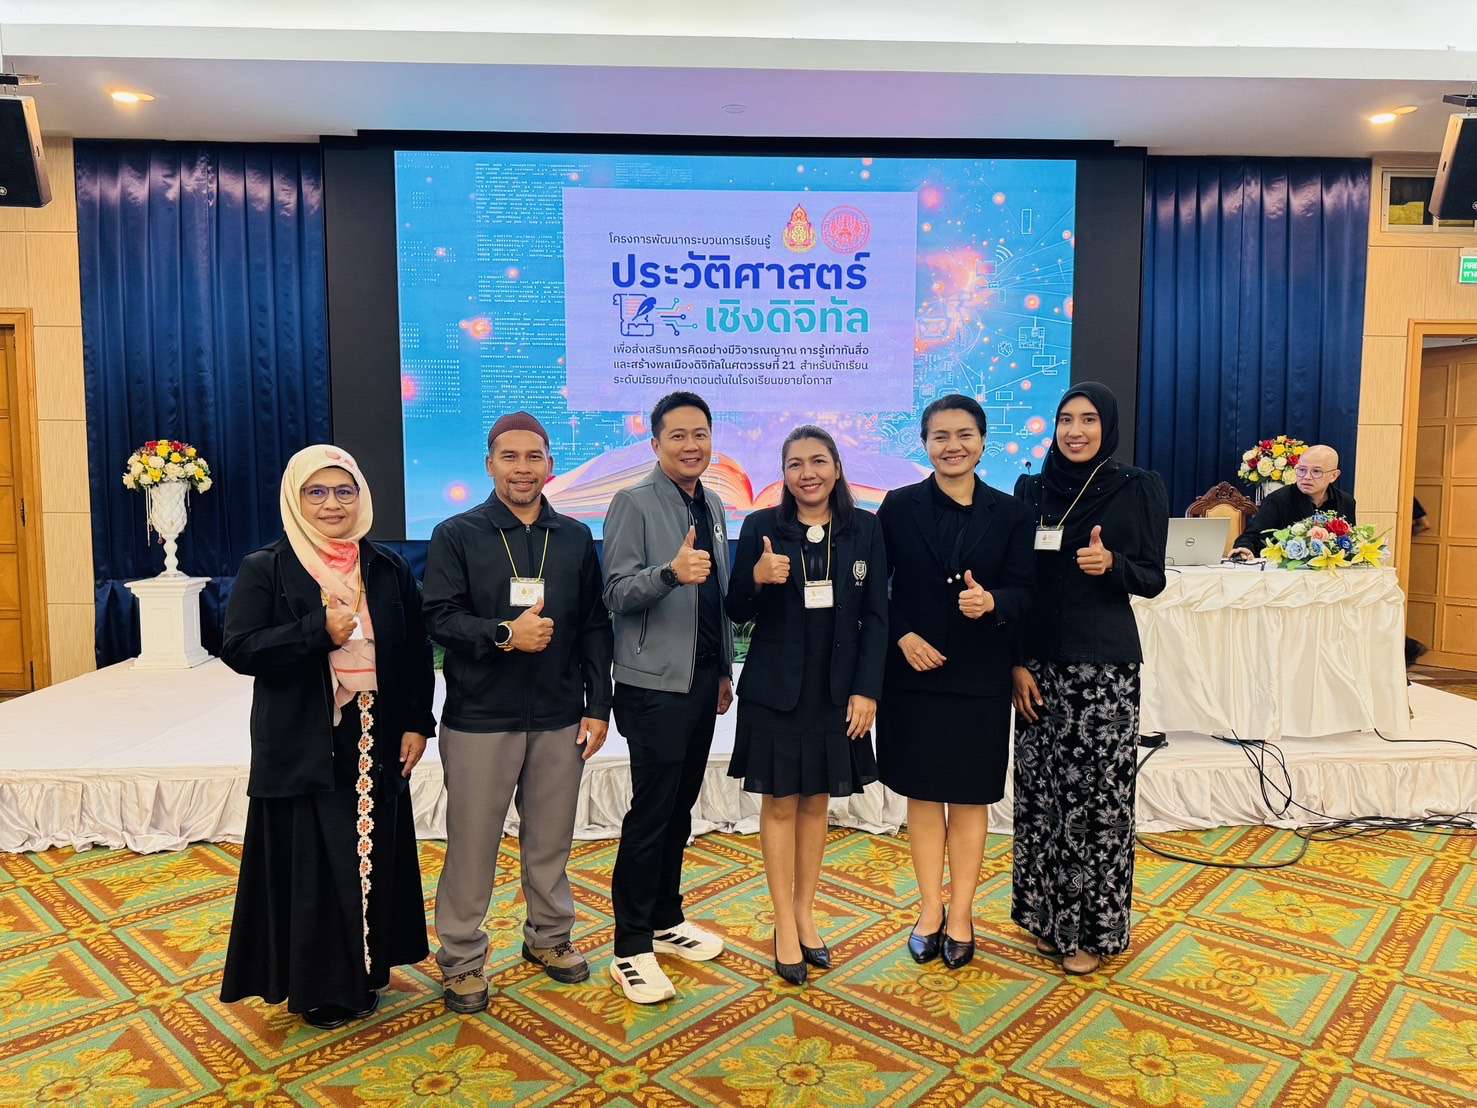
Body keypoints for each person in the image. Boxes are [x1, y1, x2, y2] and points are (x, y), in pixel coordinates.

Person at [220, 446, 435, 1028]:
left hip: (377, 730)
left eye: (344, 491)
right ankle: (321, 987)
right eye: (316, 492)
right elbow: (239, 647)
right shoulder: (269, 565)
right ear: (296, 499)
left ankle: (367, 968)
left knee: (370, 851)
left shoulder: (385, 566)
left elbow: (415, 648)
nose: (332, 504)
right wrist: (318, 630)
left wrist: (418, 721)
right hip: (304, 736)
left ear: (361, 496)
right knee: (315, 859)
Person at [422, 412, 613, 1014]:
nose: (523, 468)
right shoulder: (458, 534)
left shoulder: (575, 537)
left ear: (551, 465)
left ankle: (549, 937)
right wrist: (504, 634)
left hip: (559, 715)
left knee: (551, 840)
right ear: (489, 465)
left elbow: (594, 625)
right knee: (472, 845)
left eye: (534, 457)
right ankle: (461, 960)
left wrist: (598, 706)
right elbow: (439, 617)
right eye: (510, 457)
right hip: (481, 717)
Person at [1012, 382, 1168, 975]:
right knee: (1043, 798)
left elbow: (1152, 578)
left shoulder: (1136, 487)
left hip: (1102, 671)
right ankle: (1048, 920)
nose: (1075, 431)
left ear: (1108, 426)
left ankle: (1090, 933)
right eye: (1065, 419)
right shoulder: (1031, 490)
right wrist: (1016, 662)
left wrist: (1113, 565)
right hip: (1038, 667)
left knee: (1095, 803)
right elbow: (1019, 581)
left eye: (1088, 419)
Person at [877, 395, 1035, 970]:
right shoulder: (898, 506)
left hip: (979, 676)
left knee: (970, 799)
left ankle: (962, 914)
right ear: (924, 444)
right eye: (940, 435)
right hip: (913, 676)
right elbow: (875, 590)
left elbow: (1027, 593)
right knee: (922, 796)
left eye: (964, 434)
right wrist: (901, 636)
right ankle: (929, 910)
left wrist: (993, 603)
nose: (953, 446)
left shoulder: (1010, 513)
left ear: (983, 441)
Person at [725, 426, 888, 984]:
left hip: (836, 693)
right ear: (783, 474)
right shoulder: (760, 527)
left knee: (817, 802)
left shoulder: (865, 529)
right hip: (776, 691)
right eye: (794, 464)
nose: (807, 473)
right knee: (779, 804)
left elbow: (877, 616)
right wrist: (757, 577)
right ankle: (781, 921)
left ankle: (804, 912)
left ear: (836, 468)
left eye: (818, 461)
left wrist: (867, 689)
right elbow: (736, 610)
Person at [602, 391, 734, 1003]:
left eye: (699, 434)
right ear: (655, 444)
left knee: (681, 808)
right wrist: (669, 574)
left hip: (701, 680)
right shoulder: (632, 502)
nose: (691, 445)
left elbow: (718, 597)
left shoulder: (713, 502)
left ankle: (665, 916)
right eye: (677, 435)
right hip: (651, 685)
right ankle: (630, 946)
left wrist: (723, 668)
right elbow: (615, 592)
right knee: (652, 812)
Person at [1230, 444, 1355, 558]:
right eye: (1302, 470)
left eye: (1316, 471)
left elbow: (1351, 541)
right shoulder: (1277, 500)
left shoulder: (1346, 501)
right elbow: (1251, 537)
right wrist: (1244, 549)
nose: (1306, 477)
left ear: (1333, 476)